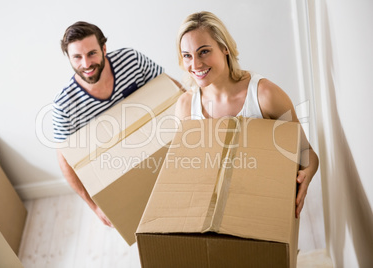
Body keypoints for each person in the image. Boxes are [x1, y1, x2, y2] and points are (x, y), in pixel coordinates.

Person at [175, 11, 319, 218]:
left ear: (224, 48)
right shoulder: (186, 107)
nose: (195, 65)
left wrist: (306, 175)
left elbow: (306, 153)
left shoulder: (264, 96)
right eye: (187, 55)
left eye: (204, 52)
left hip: (264, 210)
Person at [52, 21, 173, 226]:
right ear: (69, 58)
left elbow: (169, 88)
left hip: (161, 148)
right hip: (119, 172)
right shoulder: (65, 106)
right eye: (77, 57)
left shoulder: (131, 60)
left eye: (92, 53)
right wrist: (95, 206)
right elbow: (65, 160)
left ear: (104, 48)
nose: (86, 64)